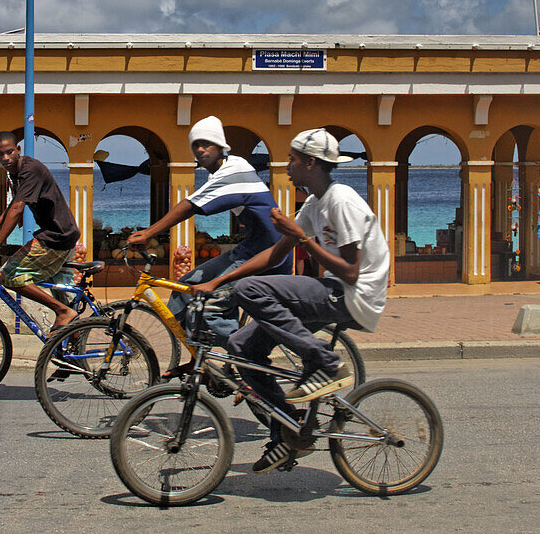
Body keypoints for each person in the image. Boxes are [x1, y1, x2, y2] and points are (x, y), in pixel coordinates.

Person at [192, 128, 390, 473]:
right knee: (241, 346)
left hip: (353, 294)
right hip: (335, 290)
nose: (285, 166)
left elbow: (352, 271)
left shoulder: (340, 200)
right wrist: (217, 281)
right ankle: (288, 431)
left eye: (292, 159)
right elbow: (274, 254)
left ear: (310, 163)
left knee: (251, 290)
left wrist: (303, 239)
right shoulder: (314, 202)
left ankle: (325, 363)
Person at [128, 116, 291, 350]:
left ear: (221, 146)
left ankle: (241, 361)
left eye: (207, 143)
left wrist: (148, 233)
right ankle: (199, 359)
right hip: (250, 249)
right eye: (196, 145)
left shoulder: (235, 169)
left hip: (269, 255)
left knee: (212, 300)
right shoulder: (219, 173)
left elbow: (191, 205)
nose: (201, 149)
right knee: (186, 287)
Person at [0, 130, 81, 331]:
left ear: (18, 150)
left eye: (9, 152)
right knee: (63, 295)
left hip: (56, 237)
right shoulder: (16, 172)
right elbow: (14, 203)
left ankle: (63, 312)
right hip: (62, 234)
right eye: (0, 154)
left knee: (10, 276)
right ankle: (69, 344)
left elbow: (18, 208)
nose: (5, 158)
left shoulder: (30, 170)